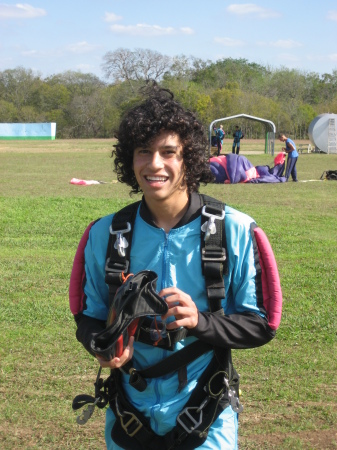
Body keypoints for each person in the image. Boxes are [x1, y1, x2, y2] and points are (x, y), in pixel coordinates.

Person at [70, 86, 280, 450]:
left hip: (206, 414)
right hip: (128, 416)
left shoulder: (235, 230)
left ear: (190, 159)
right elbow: (87, 316)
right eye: (143, 152)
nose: (154, 164)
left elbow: (262, 323)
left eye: (169, 152)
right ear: (128, 159)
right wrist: (101, 346)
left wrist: (201, 322)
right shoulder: (105, 234)